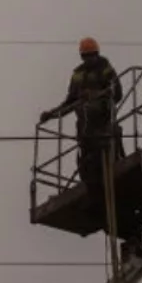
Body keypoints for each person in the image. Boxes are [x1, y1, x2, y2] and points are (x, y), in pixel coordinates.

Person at [40, 37, 122, 206]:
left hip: (102, 122)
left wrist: (94, 95)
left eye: (92, 55)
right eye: (86, 56)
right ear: (82, 57)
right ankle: (94, 194)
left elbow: (117, 92)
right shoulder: (77, 76)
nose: (89, 59)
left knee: (105, 155)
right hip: (85, 130)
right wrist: (52, 114)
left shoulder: (105, 69)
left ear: (97, 54)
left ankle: (109, 171)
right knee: (87, 164)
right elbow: (70, 103)